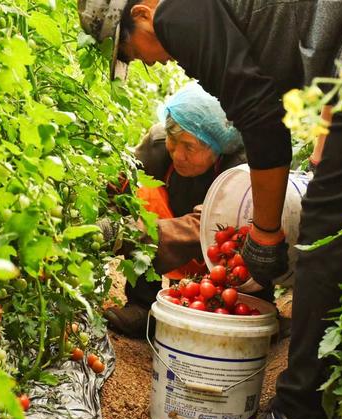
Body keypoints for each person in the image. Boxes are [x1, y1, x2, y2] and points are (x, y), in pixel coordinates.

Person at [77, 1, 342, 419]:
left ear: (142, 14)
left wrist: (265, 233)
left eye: (133, 52)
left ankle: (298, 413)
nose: (152, 63)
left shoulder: (176, 14)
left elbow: (262, 118)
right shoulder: (159, 139)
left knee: (327, 224)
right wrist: (330, 122)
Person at [104, 81, 249, 337]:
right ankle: (142, 305)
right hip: (171, 234)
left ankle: (231, 314)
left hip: (219, 255)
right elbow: (116, 186)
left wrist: (124, 235)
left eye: (189, 147)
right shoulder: (158, 145)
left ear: (216, 149)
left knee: (234, 239)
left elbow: (206, 227)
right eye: (174, 140)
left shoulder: (240, 168)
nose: (177, 154)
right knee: (141, 192)